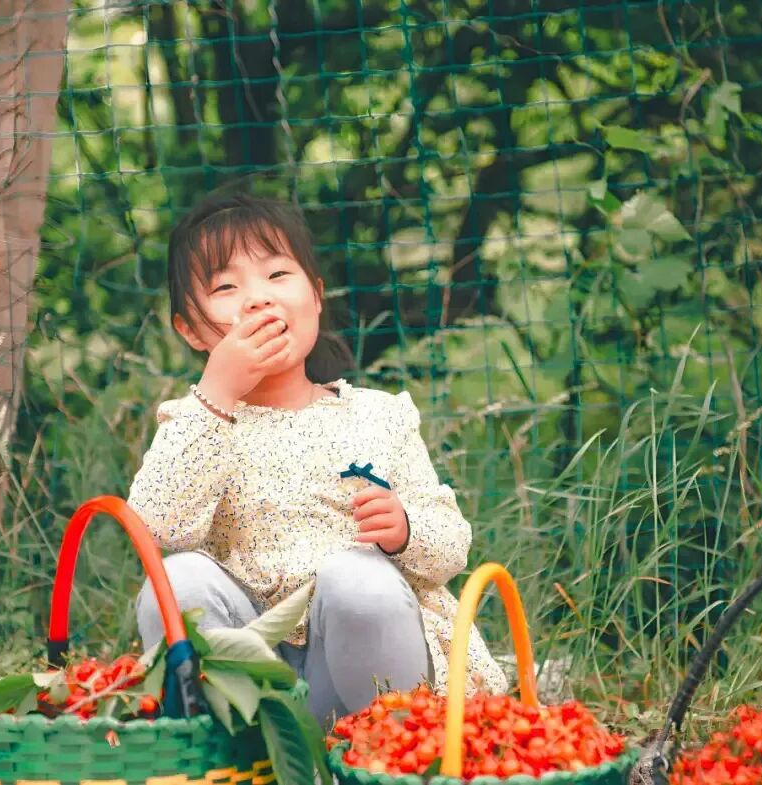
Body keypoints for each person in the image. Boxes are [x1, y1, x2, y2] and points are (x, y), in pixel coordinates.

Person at [128, 192, 508, 727]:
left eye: (277, 274)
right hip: (254, 677)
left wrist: (404, 530)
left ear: (317, 296)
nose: (257, 300)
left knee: (356, 578)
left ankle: (385, 748)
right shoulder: (198, 421)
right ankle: (231, 747)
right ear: (190, 330)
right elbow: (157, 529)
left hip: (368, 668)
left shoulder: (377, 416)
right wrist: (216, 393)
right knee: (177, 580)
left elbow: (451, 548)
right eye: (226, 287)